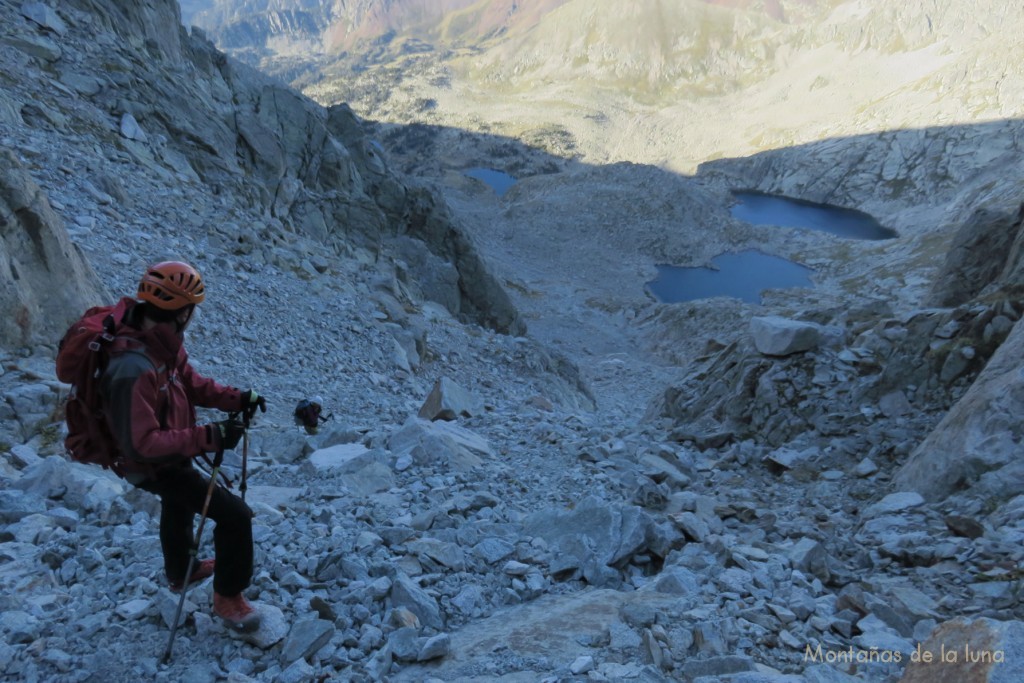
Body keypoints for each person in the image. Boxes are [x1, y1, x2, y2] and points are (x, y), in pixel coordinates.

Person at [98, 261, 267, 632]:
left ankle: (181, 572)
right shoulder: (132, 367)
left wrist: (238, 398)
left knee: (179, 503)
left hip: (171, 455)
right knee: (235, 515)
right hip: (150, 463)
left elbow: (192, 383)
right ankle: (229, 598)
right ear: (184, 312)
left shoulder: (161, 343)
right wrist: (210, 436)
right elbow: (141, 443)